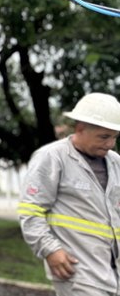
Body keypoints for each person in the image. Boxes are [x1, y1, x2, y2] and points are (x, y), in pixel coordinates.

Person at [18, 92, 120, 296]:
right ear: (80, 129)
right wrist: (50, 250)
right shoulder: (52, 158)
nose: (110, 144)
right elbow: (30, 212)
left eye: (114, 138)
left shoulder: (115, 162)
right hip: (78, 272)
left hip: (113, 273)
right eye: (104, 137)